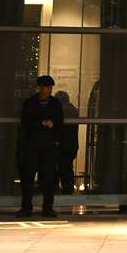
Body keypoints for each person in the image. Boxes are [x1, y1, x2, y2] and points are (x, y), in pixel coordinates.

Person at [17, 74, 64, 218]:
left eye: (50, 87)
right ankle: (26, 207)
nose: (49, 90)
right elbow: (25, 122)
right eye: (46, 87)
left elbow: (60, 122)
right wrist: (41, 123)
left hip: (49, 144)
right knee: (28, 177)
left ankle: (48, 207)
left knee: (49, 177)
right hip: (33, 144)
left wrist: (53, 126)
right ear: (40, 88)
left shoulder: (55, 104)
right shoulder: (30, 103)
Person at [55, 90, 79, 194]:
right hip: (71, 145)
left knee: (58, 168)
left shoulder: (61, 111)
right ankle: (67, 190)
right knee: (67, 168)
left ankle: (57, 189)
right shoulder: (73, 110)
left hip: (62, 145)